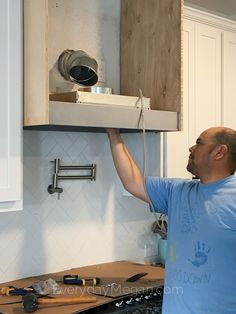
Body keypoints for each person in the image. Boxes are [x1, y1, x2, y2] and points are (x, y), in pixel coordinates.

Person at [107, 126, 236, 314]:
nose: (191, 148)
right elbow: (132, 182)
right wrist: (113, 134)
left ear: (219, 152)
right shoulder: (177, 191)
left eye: (199, 143)